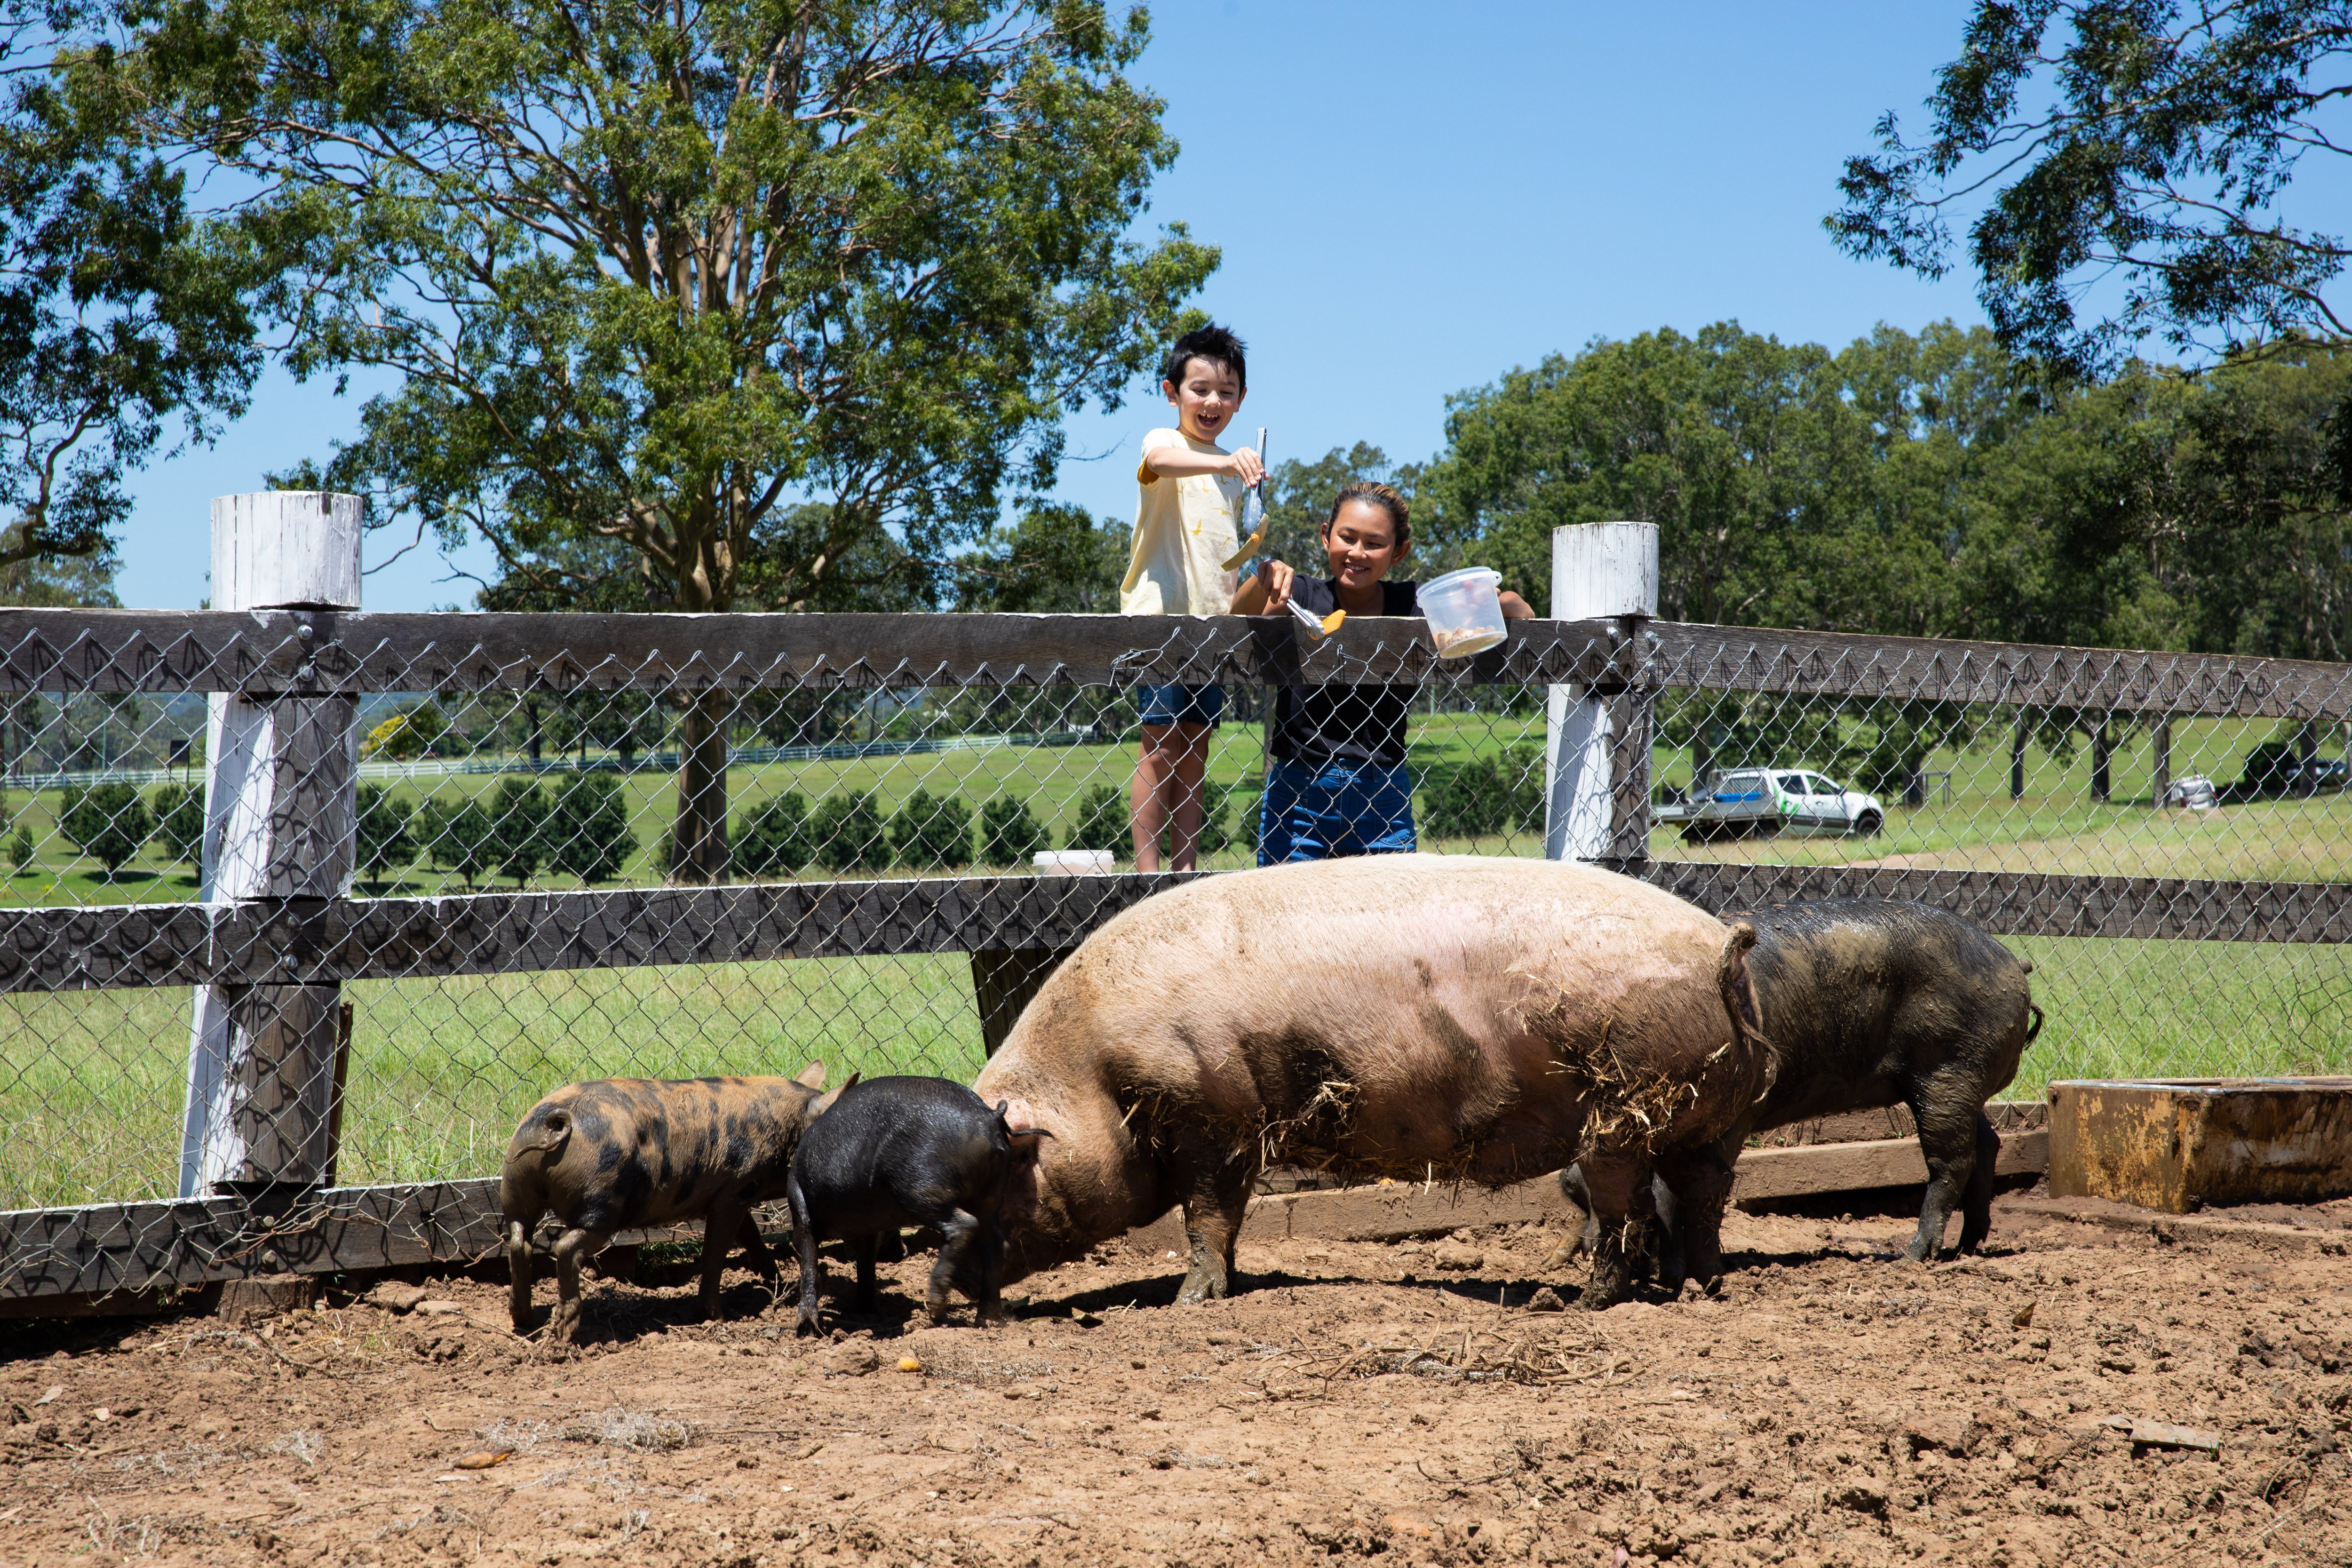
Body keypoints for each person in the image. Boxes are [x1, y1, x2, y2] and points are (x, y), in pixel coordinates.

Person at [1234, 480, 1533, 862]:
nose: (1357, 552)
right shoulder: (1303, 598)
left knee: (1390, 918)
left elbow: (1515, 607)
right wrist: (1265, 576)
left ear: (1399, 551)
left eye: (1374, 543)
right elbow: (1235, 618)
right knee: (1284, 913)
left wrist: (1500, 600)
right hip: (1299, 795)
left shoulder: (1415, 605)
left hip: (1382, 796)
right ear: (1326, 536)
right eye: (1348, 537)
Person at [1120, 323, 1263, 872]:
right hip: (1158, 622)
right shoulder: (1164, 442)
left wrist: (1259, 563)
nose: (1212, 402)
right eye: (1199, 389)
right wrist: (1226, 463)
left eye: (1225, 393)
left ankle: (1185, 870)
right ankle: (1147, 874)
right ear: (1171, 392)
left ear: (1241, 400)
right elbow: (1159, 464)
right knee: (1158, 743)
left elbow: (1227, 564)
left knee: (1196, 746)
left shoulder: (1235, 473)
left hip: (1212, 628)